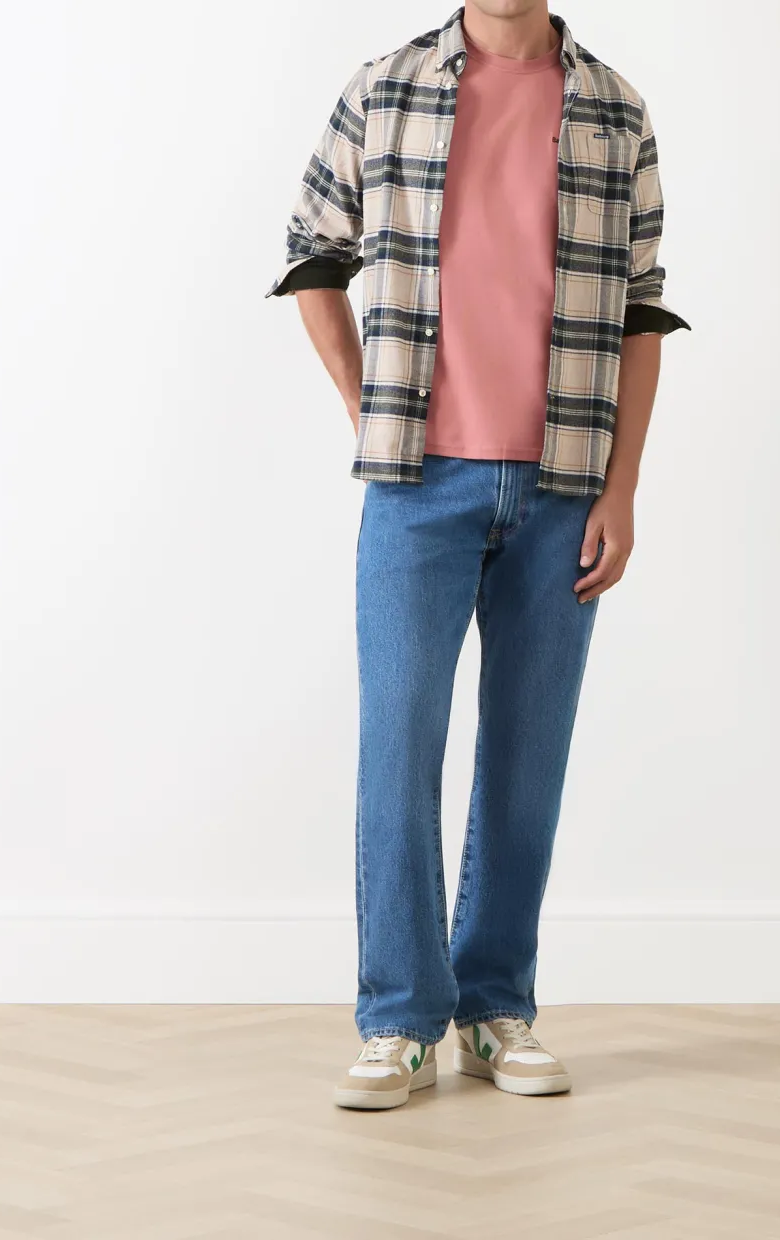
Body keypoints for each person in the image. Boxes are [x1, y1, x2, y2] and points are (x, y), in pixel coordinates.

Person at [267, 2, 688, 1110]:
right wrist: (366, 406)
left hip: (564, 485)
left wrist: (622, 487)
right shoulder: (385, 87)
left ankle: (497, 1008)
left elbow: (641, 309)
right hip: (417, 485)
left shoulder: (614, 108)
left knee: (525, 760)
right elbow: (313, 253)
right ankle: (398, 1018)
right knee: (397, 749)